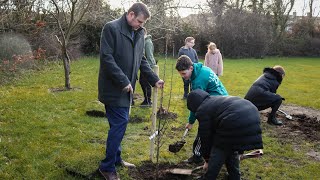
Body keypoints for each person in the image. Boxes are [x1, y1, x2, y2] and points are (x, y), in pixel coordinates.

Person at [98, 3, 164, 180]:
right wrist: (124, 80)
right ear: (131, 14)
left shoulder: (140, 33)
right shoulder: (111, 28)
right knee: (120, 124)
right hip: (113, 88)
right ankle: (107, 167)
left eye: (143, 23)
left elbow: (141, 59)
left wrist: (154, 79)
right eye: (140, 22)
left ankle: (116, 158)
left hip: (127, 89)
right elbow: (106, 58)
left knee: (117, 126)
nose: (141, 25)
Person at [187, 89, 263, 180]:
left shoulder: (202, 110)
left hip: (234, 120)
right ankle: (235, 177)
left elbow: (205, 137)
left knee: (219, 149)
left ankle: (209, 177)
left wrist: (207, 160)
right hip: (252, 113)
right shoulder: (214, 100)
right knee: (230, 148)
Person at [175, 55, 228, 164]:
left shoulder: (198, 82)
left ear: (191, 68)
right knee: (216, 131)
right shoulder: (202, 69)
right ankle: (218, 153)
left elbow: (196, 105)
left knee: (204, 130)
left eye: (184, 73)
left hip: (216, 106)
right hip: (224, 101)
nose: (183, 77)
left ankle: (197, 156)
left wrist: (191, 122)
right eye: (180, 74)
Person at [139, 27, 156, 106]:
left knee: (145, 83)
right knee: (142, 82)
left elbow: (149, 55)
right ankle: (147, 100)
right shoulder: (143, 41)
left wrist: (148, 67)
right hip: (144, 65)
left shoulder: (148, 42)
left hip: (147, 65)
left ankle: (148, 101)